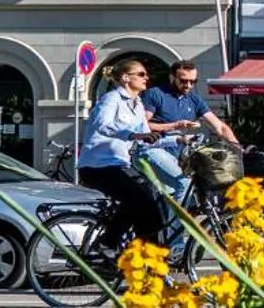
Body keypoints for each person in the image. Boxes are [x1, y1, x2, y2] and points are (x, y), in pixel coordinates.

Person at [79, 60, 167, 248]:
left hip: (120, 165)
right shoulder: (111, 99)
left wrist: (180, 139)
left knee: (150, 199)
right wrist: (132, 135)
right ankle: (108, 244)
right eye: (141, 74)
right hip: (97, 167)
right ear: (126, 78)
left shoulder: (138, 104)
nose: (146, 78)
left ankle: (149, 250)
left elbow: (146, 137)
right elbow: (103, 125)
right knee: (138, 198)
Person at [141, 60, 238, 207]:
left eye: (193, 81)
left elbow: (220, 127)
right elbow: (142, 126)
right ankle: (177, 222)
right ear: (172, 77)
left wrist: (237, 147)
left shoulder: (194, 99)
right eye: (183, 81)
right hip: (155, 149)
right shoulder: (155, 94)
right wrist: (175, 125)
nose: (188, 85)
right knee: (182, 185)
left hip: (181, 155)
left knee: (196, 188)